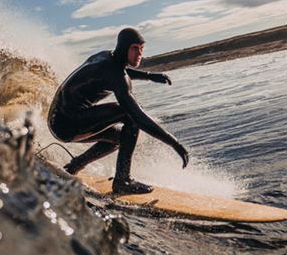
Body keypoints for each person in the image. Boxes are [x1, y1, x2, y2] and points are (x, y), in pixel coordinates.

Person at [48, 27, 189, 194]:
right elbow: (137, 116)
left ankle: (73, 166)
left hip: (58, 120)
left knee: (117, 138)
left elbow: (122, 71)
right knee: (129, 114)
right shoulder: (114, 73)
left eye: (142, 49)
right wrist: (173, 142)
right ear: (124, 48)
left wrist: (149, 75)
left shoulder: (106, 57)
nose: (140, 54)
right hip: (66, 124)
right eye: (135, 48)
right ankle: (123, 180)